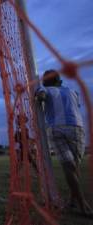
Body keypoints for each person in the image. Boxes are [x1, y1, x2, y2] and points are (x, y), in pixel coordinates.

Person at [37, 69, 92, 216]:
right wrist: (40, 95)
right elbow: (41, 96)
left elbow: (75, 107)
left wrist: (41, 95)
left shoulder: (72, 91)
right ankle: (83, 205)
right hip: (57, 130)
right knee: (70, 166)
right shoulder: (46, 89)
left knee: (73, 167)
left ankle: (73, 201)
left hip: (76, 128)